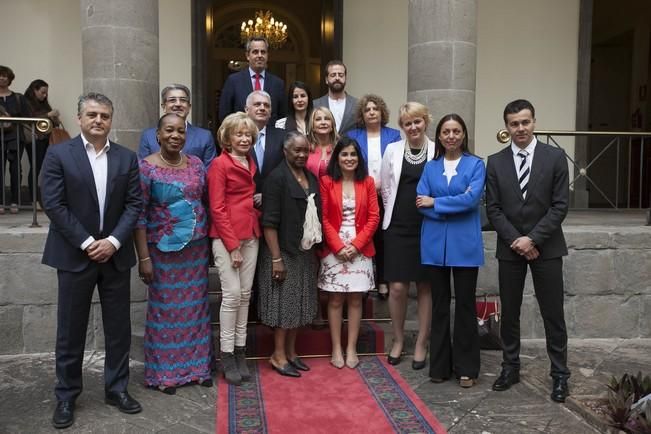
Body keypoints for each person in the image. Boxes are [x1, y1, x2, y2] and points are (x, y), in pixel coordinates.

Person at [41, 93, 143, 429]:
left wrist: (113, 242)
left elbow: (134, 205)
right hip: (74, 255)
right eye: (92, 115)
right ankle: (67, 396)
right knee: (70, 331)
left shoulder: (127, 159)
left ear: (111, 120)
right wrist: (88, 243)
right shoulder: (59, 154)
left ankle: (117, 389)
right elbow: (54, 205)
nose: (98, 120)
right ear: (80, 117)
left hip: (114, 256)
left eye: (104, 115)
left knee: (118, 330)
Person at [486, 99, 570, 402]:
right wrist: (517, 241)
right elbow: (493, 209)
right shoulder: (494, 162)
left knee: (553, 314)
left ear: (533, 122)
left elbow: (561, 205)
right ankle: (510, 367)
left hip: (547, 248)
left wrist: (532, 239)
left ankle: (560, 374)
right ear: (506, 127)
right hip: (510, 250)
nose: (520, 128)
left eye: (525, 122)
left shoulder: (556, 157)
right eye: (514, 123)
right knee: (510, 313)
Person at [134, 113, 213, 395]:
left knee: (195, 309)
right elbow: (139, 215)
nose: (175, 136)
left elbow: (205, 202)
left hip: (196, 249)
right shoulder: (146, 168)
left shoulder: (197, 164)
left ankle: (197, 368)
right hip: (162, 252)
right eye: (169, 130)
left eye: (180, 131)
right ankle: (165, 373)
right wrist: (144, 257)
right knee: (166, 311)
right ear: (157, 135)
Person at [416, 114, 486, 387]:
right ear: (440, 136)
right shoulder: (430, 167)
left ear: (464, 135)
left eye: (457, 131)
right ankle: (440, 366)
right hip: (434, 244)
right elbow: (421, 203)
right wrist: (444, 206)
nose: (451, 136)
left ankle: (467, 368)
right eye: (446, 131)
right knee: (440, 304)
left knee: (466, 305)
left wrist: (436, 202)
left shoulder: (476, 165)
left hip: (465, 245)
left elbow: (472, 200)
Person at [257, 131, 321, 377]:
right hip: (282, 251)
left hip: (304, 251)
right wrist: (276, 259)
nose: (302, 154)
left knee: (301, 305)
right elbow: (269, 223)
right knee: (285, 307)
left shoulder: (310, 177)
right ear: (285, 151)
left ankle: (292, 353)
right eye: (297, 150)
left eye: (306, 150)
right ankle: (278, 355)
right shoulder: (276, 178)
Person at [380, 101, 435, 369]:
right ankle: (399, 340)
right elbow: (385, 187)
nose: (413, 127)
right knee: (398, 287)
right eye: (407, 123)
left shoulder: (437, 150)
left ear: (425, 121)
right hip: (398, 225)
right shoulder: (392, 149)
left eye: (417, 121)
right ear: (401, 127)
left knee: (425, 285)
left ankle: (422, 342)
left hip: (429, 226)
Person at [207, 112, 261, 385]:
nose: (244, 138)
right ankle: (226, 355)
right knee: (232, 295)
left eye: (248, 134)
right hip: (228, 238)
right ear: (227, 138)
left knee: (245, 296)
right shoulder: (219, 164)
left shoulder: (251, 161)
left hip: (251, 234)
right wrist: (232, 246)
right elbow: (216, 207)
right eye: (238, 134)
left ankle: (241, 352)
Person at [318, 137, 379, 369]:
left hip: (360, 247)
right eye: (344, 154)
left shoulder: (368, 182)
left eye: (353, 154)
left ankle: (351, 347)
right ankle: (336, 347)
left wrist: (356, 245)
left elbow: (374, 217)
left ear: (359, 158)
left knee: (355, 298)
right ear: (337, 158)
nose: (349, 158)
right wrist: (339, 246)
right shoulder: (326, 182)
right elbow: (323, 217)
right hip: (335, 246)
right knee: (334, 299)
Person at [347, 94, 401, 299]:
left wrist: (381, 184)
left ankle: (383, 281)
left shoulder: (394, 135)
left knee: (383, 238)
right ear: (362, 114)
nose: (371, 112)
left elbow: (396, 165)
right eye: (367, 109)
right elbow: (350, 162)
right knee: (363, 234)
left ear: (381, 112)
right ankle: (362, 278)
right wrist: (368, 185)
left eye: (375, 109)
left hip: (386, 194)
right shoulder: (354, 135)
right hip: (361, 191)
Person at [138, 84, 216, 166]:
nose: (178, 104)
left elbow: (210, 172)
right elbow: (142, 168)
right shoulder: (148, 136)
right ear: (164, 106)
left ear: (189, 107)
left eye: (183, 100)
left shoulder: (205, 137)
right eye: (172, 100)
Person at [219, 36, 286, 125]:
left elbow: (282, 117)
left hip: (269, 137)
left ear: (267, 55)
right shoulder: (233, 81)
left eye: (263, 52)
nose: (259, 55)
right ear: (247, 55)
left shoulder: (278, 84)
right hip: (242, 136)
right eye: (255, 52)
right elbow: (225, 115)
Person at [23, 79, 60, 203]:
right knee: (35, 168)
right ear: (34, 90)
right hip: (34, 139)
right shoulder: (26, 102)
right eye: (42, 92)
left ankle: (42, 199)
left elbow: (53, 123)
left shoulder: (43, 103)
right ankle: (34, 200)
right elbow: (29, 119)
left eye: (46, 93)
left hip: (46, 139)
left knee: (43, 169)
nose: (44, 96)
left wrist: (55, 118)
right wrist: (48, 115)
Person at [245, 90, 285, 203]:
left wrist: (267, 194)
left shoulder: (282, 136)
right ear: (246, 110)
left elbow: (287, 171)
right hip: (244, 204)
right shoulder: (236, 137)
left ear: (270, 111)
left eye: (266, 105)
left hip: (275, 203)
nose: (262, 108)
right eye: (257, 104)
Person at [0, 65, 29, 214]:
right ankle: (0, 203)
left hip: (15, 137)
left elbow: (27, 117)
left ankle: (14, 202)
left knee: (15, 170)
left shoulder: (18, 97)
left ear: (9, 78)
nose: (2, 78)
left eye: (5, 75)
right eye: (0, 75)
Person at [313, 60, 358, 135]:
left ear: (346, 78)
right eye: (333, 75)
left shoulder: (357, 104)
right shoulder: (315, 104)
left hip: (349, 145)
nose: (337, 78)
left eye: (341, 75)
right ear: (326, 80)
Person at [306, 106, 338, 179]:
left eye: (327, 119)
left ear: (332, 126)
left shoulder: (340, 147)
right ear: (312, 126)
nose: (323, 122)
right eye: (318, 119)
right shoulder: (305, 148)